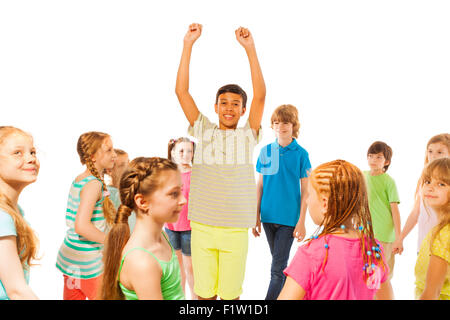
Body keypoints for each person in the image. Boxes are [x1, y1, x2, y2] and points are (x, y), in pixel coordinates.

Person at [175, 23, 266, 300]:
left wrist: (250, 49)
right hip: (201, 225)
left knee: (230, 296)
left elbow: (261, 95)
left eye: (235, 104)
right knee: (203, 295)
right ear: (215, 107)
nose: (229, 108)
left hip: (235, 227)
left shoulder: (248, 135)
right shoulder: (202, 130)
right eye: (223, 103)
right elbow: (181, 92)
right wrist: (187, 45)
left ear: (243, 109)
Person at [278, 160, 390, 300]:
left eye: (310, 195)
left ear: (324, 203)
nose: (306, 201)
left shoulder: (311, 254)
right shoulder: (373, 250)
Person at [99, 157, 186, 300]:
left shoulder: (162, 236)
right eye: (174, 193)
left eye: (181, 191)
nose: (183, 200)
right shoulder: (142, 262)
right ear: (143, 202)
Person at [253, 104, 311, 300]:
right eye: (276, 123)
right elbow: (259, 186)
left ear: (294, 125)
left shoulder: (301, 154)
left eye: (285, 122)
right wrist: (256, 216)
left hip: (289, 219)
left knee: (277, 270)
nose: (280, 127)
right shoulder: (265, 151)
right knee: (280, 266)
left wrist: (302, 221)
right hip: (268, 216)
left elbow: (306, 191)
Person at [56, 131, 117, 300]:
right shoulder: (93, 184)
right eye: (109, 150)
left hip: (71, 259)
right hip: (88, 264)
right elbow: (82, 226)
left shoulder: (81, 179)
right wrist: (111, 242)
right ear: (92, 156)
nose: (114, 154)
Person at [0, 126, 40, 300]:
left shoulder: (15, 211)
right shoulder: (2, 216)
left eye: (32, 152)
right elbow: (16, 290)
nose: (31, 159)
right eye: (17, 153)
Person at [396, 133, 449, 254]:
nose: (433, 156)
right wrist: (401, 238)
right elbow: (416, 212)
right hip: (424, 246)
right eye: (430, 151)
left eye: (440, 152)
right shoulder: (424, 181)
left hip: (444, 247)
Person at [363, 141, 400, 299]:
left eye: (378, 157)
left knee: (382, 276)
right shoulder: (362, 176)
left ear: (386, 162)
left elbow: (395, 210)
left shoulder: (388, 181)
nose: (373, 160)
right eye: (370, 156)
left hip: (384, 235)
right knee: (366, 273)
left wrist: (399, 237)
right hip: (365, 234)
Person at [414, 158, 450, 300]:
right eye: (428, 181)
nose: (430, 187)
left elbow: (431, 294)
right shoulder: (440, 228)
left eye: (441, 184)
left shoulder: (444, 234)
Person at [165, 137, 196, 299]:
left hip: (189, 228)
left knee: (190, 267)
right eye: (181, 151)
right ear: (173, 153)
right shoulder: (168, 174)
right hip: (171, 227)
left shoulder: (196, 174)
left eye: (189, 151)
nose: (186, 155)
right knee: (177, 268)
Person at [107, 149, 135, 231]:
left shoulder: (131, 189)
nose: (128, 168)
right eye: (122, 165)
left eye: (128, 163)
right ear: (109, 171)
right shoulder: (109, 194)